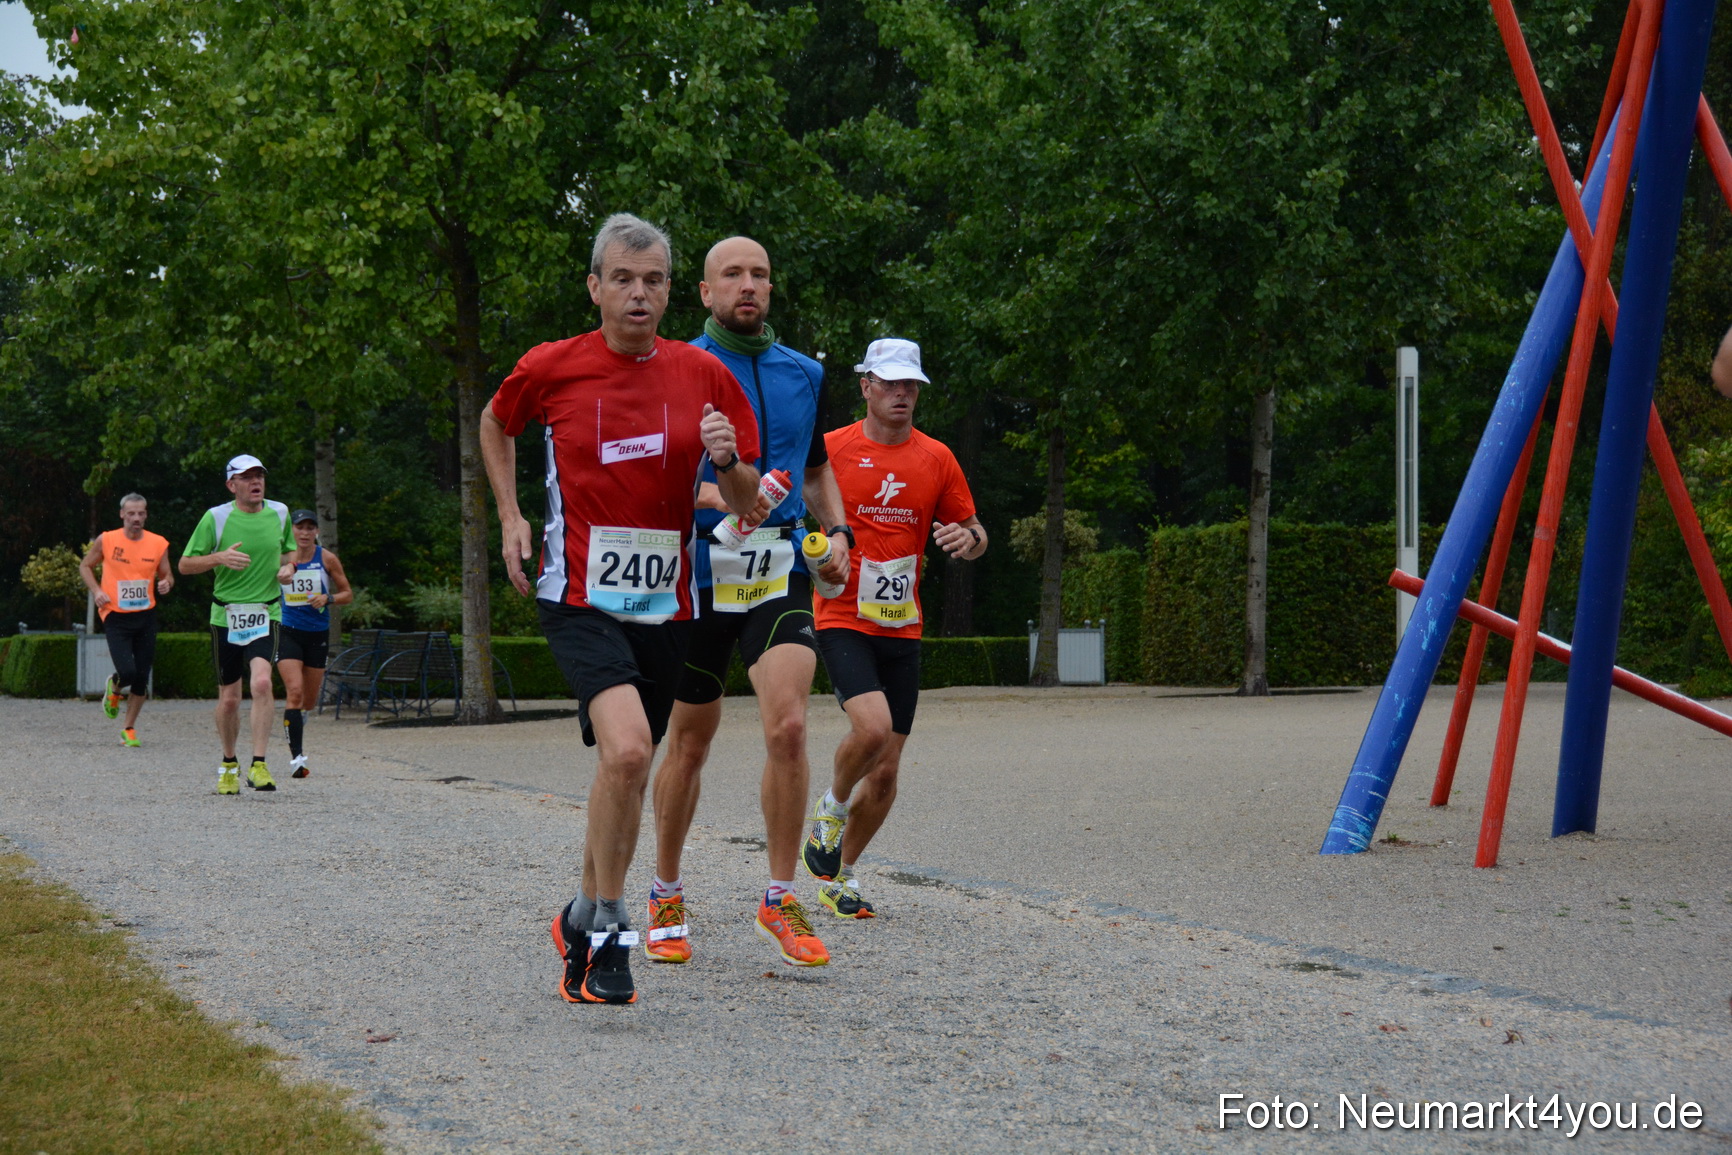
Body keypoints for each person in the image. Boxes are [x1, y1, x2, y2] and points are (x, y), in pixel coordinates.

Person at [480, 212, 762, 1006]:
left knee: (621, 767)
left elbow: (747, 505)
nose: (639, 296)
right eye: (624, 280)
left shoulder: (705, 376)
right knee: (633, 751)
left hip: (665, 604)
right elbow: (496, 422)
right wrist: (509, 513)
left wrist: (729, 461)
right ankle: (607, 929)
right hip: (577, 595)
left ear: (671, 291)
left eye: (655, 281)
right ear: (595, 286)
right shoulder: (553, 366)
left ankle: (577, 910)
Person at [645, 236, 853, 970]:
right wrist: (715, 493)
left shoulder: (805, 371)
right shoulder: (675, 367)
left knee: (791, 726)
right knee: (689, 741)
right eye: (732, 274)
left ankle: (778, 895)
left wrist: (839, 530)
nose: (748, 285)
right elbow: (667, 468)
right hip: (699, 571)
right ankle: (666, 891)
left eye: (760, 273)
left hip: (778, 566)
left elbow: (818, 468)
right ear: (703, 292)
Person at [804, 338, 988, 918]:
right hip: (841, 613)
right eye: (890, 382)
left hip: (901, 623)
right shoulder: (831, 449)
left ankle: (843, 877)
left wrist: (970, 541)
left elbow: (975, 530)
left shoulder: (937, 457)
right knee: (873, 728)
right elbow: (785, 501)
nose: (902, 393)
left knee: (884, 774)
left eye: (911, 384)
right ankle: (830, 810)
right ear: (866, 386)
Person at [179, 455, 295, 795]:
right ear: (232, 485)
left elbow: (289, 554)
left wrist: (290, 569)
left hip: (266, 612)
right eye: (246, 477)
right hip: (226, 616)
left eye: (259, 475)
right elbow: (185, 565)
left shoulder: (281, 512)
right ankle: (229, 763)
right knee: (229, 699)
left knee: (261, 683)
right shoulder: (215, 518)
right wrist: (218, 557)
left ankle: (259, 764)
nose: (255, 482)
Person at [78, 493, 173, 746]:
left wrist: (166, 584)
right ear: (122, 515)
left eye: (141, 513)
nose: (136, 518)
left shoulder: (158, 543)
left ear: (146, 515)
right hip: (115, 615)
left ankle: (128, 728)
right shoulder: (107, 540)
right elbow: (85, 566)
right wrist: (97, 591)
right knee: (128, 671)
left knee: (142, 676)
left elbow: (167, 575)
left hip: (145, 616)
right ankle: (116, 686)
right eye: (131, 513)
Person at [274, 509, 353, 778]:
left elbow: (347, 593)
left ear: (317, 531)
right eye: (300, 528)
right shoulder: (282, 557)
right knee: (294, 692)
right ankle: (297, 758)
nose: (305, 533)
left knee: (308, 700)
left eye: (310, 528)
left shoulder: (327, 558)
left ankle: (297, 721)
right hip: (287, 630)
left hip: (317, 634)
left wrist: (328, 599)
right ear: (291, 531)